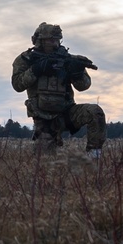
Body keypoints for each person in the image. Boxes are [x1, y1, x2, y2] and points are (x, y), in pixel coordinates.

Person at [12, 22, 106, 152]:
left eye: (57, 40)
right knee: (43, 161)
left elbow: (84, 86)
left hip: (67, 113)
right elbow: (17, 85)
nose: (55, 43)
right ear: (40, 41)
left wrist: (77, 72)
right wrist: (36, 70)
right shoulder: (26, 60)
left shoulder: (67, 59)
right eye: (51, 40)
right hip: (42, 117)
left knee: (95, 112)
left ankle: (94, 157)